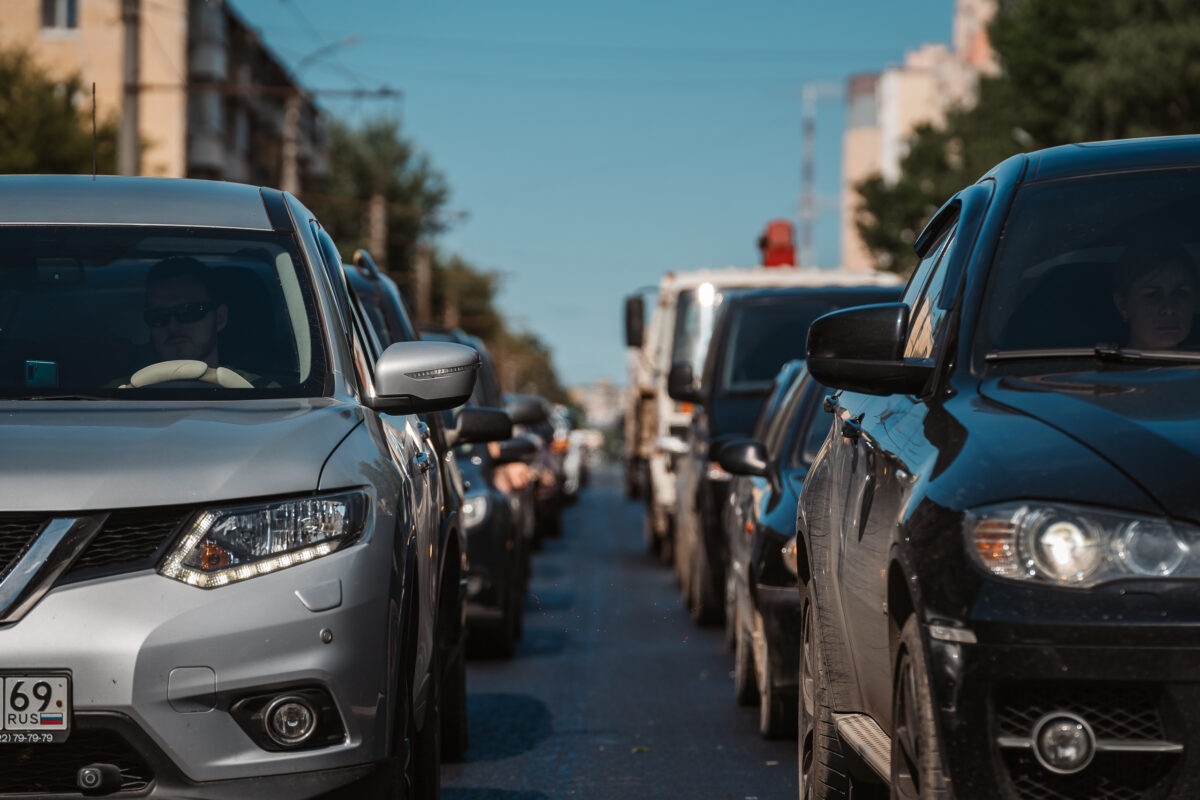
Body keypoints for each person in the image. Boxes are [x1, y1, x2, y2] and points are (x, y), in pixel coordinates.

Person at [143, 256, 228, 367]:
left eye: (189, 312)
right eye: (158, 316)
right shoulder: (125, 385)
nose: (173, 327)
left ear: (219, 318)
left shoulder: (249, 384)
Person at [1112, 242, 1198, 350]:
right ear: (1123, 305)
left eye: (1180, 293)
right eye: (1152, 295)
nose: (1169, 309)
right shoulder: (1093, 366)